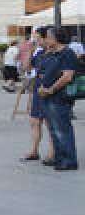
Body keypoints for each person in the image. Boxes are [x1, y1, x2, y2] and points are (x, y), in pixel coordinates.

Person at [37, 27, 79, 171]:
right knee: (54, 130)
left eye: (48, 37)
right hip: (48, 97)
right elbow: (41, 71)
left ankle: (69, 160)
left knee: (62, 130)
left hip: (59, 97)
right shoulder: (52, 54)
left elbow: (67, 76)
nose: (46, 40)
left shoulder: (67, 53)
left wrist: (51, 89)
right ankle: (59, 157)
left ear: (56, 38)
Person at [23, 27, 54, 163]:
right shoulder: (39, 53)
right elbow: (27, 67)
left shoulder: (54, 52)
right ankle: (34, 151)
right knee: (35, 121)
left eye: (37, 37)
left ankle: (52, 152)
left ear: (45, 37)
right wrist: (30, 51)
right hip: (38, 90)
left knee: (49, 123)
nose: (35, 40)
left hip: (49, 91)